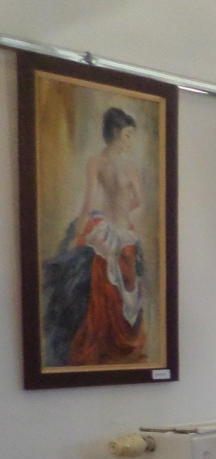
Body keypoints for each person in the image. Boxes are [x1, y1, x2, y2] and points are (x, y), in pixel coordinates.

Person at [42, 106, 149, 367]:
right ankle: (105, 347)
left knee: (122, 288)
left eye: (131, 136)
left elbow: (136, 202)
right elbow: (91, 203)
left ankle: (119, 349)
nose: (129, 141)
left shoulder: (120, 166)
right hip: (106, 232)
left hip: (120, 233)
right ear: (116, 133)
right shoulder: (104, 164)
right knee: (102, 290)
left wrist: (117, 214)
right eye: (127, 135)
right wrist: (80, 233)